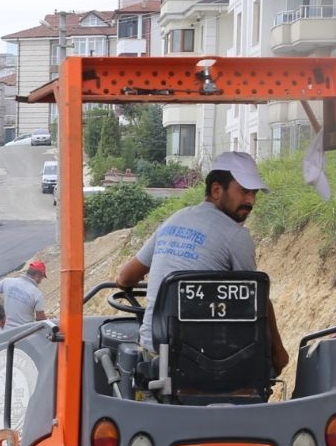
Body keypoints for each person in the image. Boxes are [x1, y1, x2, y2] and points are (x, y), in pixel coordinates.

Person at [115, 150, 289, 374]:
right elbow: (255, 302)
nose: (251, 200)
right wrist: (278, 352)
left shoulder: (174, 220)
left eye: (254, 193)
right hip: (209, 364)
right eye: (244, 191)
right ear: (217, 190)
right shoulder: (236, 236)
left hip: (155, 353)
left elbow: (124, 278)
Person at [0, 260, 48, 328]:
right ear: (37, 275)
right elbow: (40, 318)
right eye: (41, 278)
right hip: (24, 333)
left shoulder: (8, 281)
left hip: (6, 331)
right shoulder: (37, 294)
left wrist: (2, 303)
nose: (40, 282)